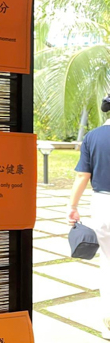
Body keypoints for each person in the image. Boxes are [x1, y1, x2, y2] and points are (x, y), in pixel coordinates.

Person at [68, 94, 110, 339]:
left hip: (103, 203)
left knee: (107, 262)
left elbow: (82, 176)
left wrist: (72, 206)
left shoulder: (93, 137)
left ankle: (108, 322)